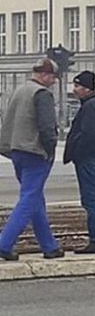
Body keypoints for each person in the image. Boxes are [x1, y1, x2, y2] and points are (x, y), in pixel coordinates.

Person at [0, 59, 64, 261]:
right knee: (28, 199)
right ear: (45, 75)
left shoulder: (20, 90)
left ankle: (49, 246)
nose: (54, 82)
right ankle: (4, 243)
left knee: (35, 198)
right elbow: (47, 127)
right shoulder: (41, 94)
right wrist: (50, 148)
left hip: (17, 149)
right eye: (53, 77)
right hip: (35, 151)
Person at [63, 71, 95, 254]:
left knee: (91, 199)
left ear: (86, 88)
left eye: (77, 86)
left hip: (89, 158)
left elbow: (87, 134)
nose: (74, 90)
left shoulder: (90, 107)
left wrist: (77, 153)